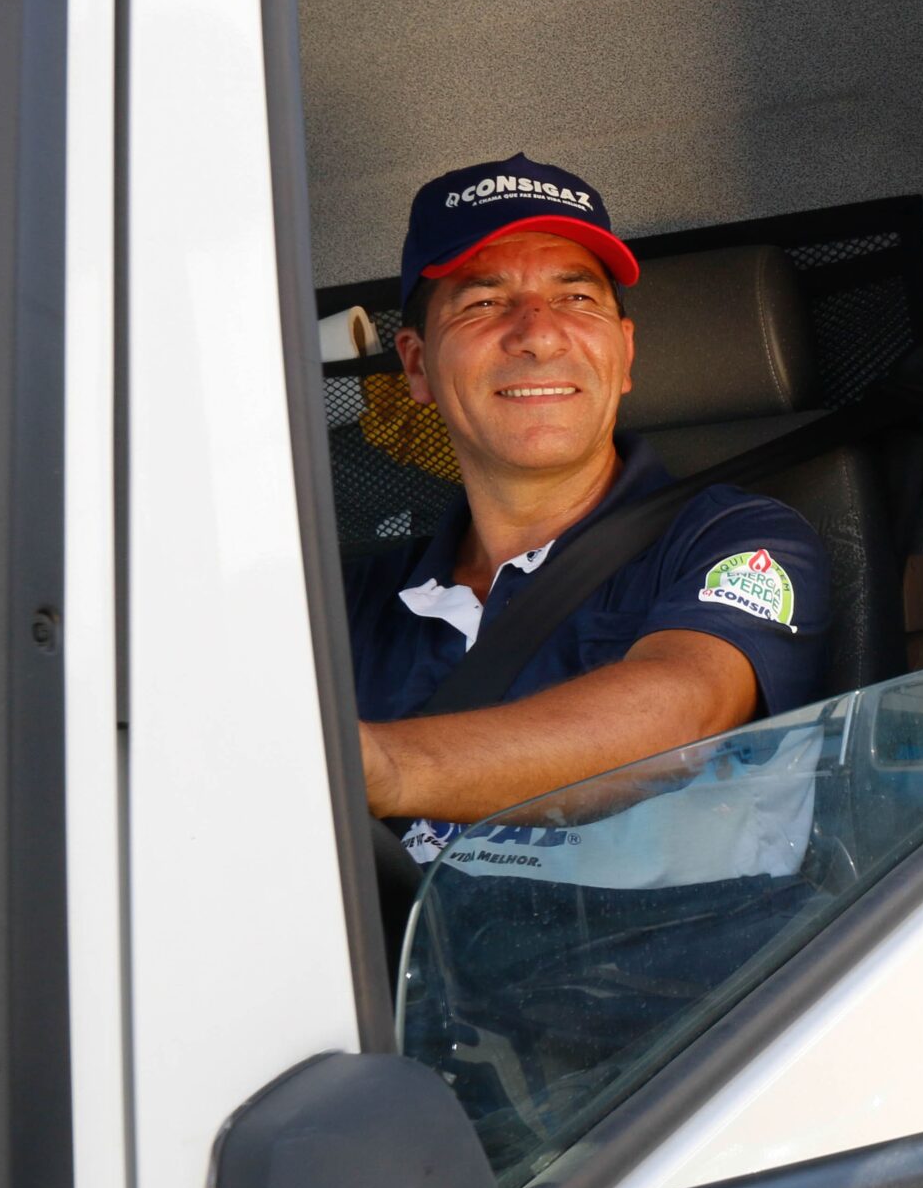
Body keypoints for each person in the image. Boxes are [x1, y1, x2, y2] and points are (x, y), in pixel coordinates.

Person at [343, 153, 833, 872]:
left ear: (624, 351)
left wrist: (384, 767)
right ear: (416, 365)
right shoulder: (344, 605)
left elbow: (679, 713)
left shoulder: (739, 538)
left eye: (577, 299)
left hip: (727, 984)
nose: (539, 335)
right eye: (483, 302)